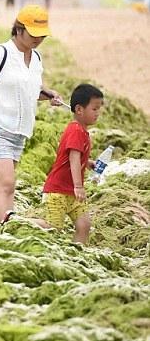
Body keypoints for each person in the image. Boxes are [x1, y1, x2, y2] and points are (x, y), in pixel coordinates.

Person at [0, 4, 65, 225]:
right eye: (33, 34)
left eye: (42, 35)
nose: (38, 39)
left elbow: (30, 90)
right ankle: (10, 229)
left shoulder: (35, 58)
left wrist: (49, 95)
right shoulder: (0, 53)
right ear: (18, 29)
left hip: (18, 133)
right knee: (6, 184)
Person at [41, 84, 104, 244]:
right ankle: (18, 221)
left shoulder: (82, 131)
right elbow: (73, 159)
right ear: (79, 109)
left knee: (84, 225)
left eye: (99, 109)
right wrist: (79, 186)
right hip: (58, 191)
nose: (98, 113)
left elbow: (75, 156)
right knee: (52, 227)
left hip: (71, 193)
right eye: (94, 109)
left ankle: (78, 253)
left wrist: (88, 163)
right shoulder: (76, 130)